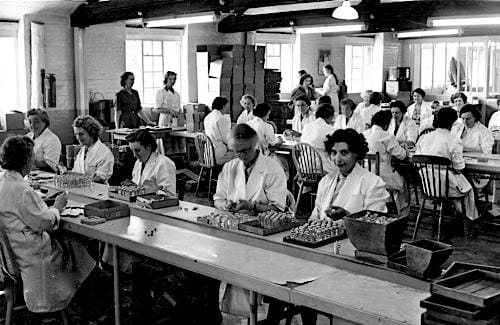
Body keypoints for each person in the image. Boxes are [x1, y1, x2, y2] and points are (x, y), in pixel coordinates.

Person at [0, 136, 95, 313]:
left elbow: (28, 212)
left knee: (73, 245)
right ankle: (88, 291)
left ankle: (89, 284)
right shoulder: (21, 189)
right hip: (33, 255)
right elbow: (45, 222)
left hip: (11, 255)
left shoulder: (4, 180)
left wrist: (44, 206)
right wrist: (57, 207)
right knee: (74, 243)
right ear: (27, 159)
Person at [310, 128, 389, 220]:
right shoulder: (326, 181)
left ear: (356, 153)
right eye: (334, 153)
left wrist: (347, 215)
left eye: (344, 153)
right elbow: (316, 213)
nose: (338, 159)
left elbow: (373, 223)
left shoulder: (373, 183)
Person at [415, 107, 479, 221]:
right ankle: (468, 219)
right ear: (453, 123)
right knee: (470, 187)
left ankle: (449, 213)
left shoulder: (424, 138)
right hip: (447, 187)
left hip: (428, 186)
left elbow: (417, 163)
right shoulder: (453, 140)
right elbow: (459, 168)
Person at [214, 123, 287, 212]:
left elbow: (278, 208)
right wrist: (225, 205)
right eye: (238, 152)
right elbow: (218, 199)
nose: (242, 156)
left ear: (255, 145)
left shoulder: (273, 169)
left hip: (261, 221)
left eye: (245, 151)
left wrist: (253, 207)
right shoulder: (229, 167)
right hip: (233, 219)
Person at [363, 111, 410, 217]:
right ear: (386, 124)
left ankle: (386, 205)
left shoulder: (364, 134)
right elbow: (401, 156)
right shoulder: (386, 136)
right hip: (383, 175)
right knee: (402, 186)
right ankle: (402, 215)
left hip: (366, 173)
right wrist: (404, 149)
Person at [126, 129, 176, 196]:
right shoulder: (139, 163)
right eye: (132, 151)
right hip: (140, 202)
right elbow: (137, 184)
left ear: (149, 146)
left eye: (137, 150)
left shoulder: (164, 163)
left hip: (157, 204)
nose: (134, 155)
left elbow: (170, 195)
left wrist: (145, 191)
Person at [72, 115, 114, 183]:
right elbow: (76, 171)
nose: (78, 138)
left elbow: (101, 178)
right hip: (81, 189)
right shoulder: (83, 150)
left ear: (91, 133)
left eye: (81, 134)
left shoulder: (104, 153)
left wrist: (81, 180)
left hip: (97, 191)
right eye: (76, 134)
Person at [301, 103, 337, 174]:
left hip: (304, 168)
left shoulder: (307, 127)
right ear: (330, 116)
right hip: (322, 169)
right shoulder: (330, 129)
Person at [26, 108, 62, 172]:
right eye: (30, 122)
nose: (32, 125)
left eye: (36, 121)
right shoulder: (28, 136)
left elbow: (50, 165)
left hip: (47, 175)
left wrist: (28, 161)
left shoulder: (52, 139)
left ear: (45, 122)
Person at [204, 96, 234, 164]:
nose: (226, 109)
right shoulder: (221, 118)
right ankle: (228, 173)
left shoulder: (207, 117)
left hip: (208, 153)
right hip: (218, 153)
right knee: (238, 155)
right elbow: (226, 138)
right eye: (226, 106)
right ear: (223, 106)